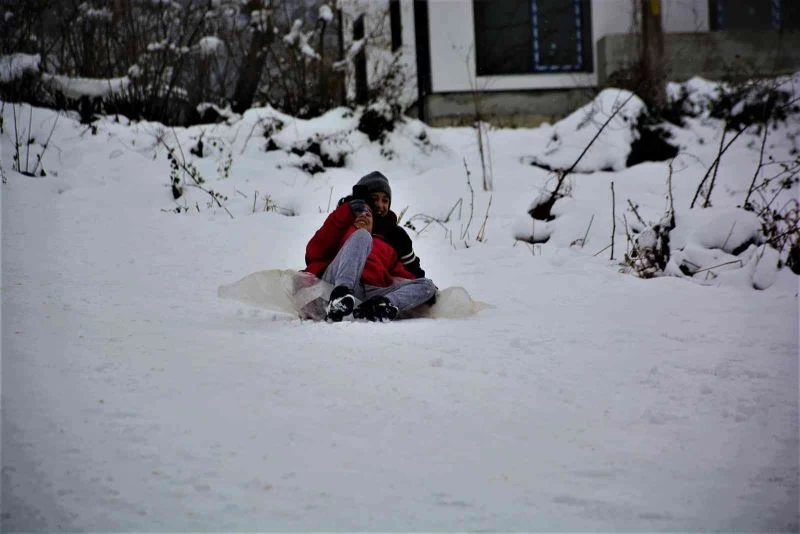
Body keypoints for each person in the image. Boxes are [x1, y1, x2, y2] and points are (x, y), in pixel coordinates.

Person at [304, 171, 437, 322]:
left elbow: (404, 274)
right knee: (362, 236)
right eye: (375, 199)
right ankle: (340, 298)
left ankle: (381, 305)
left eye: (385, 200)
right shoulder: (345, 221)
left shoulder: (394, 235)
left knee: (428, 285)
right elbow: (313, 253)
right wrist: (346, 214)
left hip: (371, 292)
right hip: (334, 283)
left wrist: (422, 292)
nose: (381, 205)